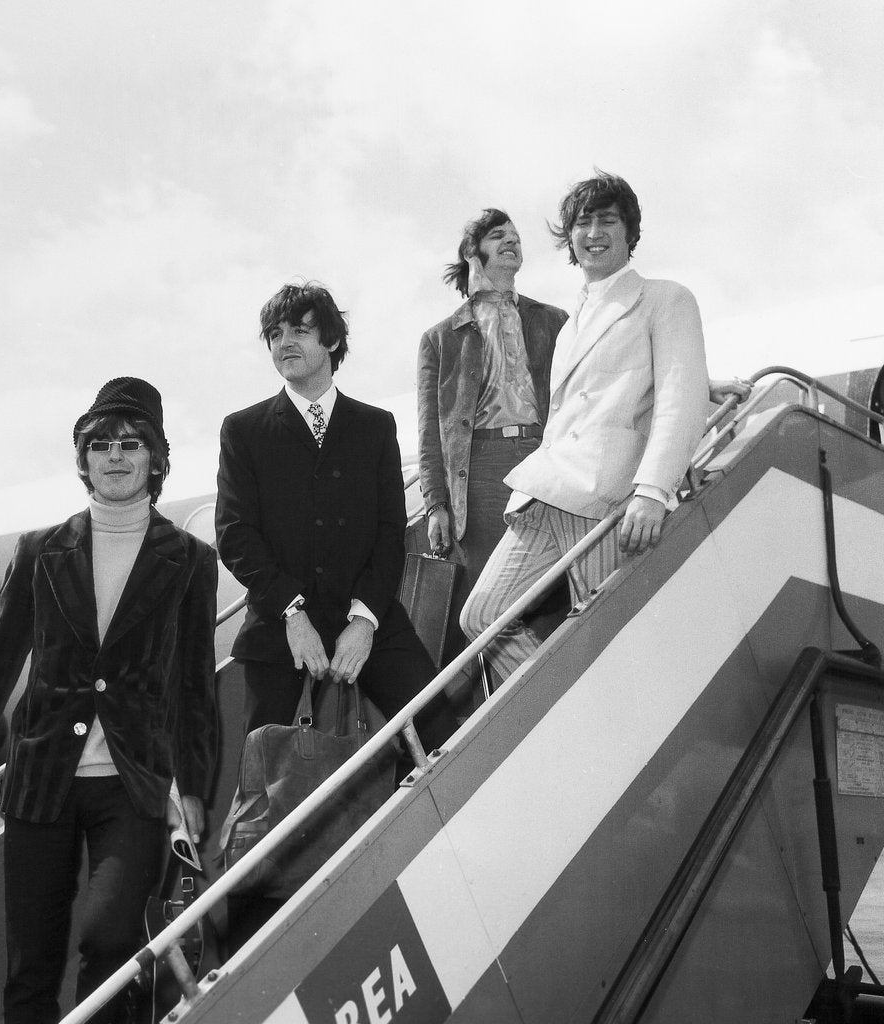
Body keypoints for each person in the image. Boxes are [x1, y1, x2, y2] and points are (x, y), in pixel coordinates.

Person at [0, 378, 219, 1024]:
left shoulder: (188, 559)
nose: (115, 455)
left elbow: (194, 683)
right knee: (31, 967)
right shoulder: (40, 551)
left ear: (156, 459)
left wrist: (193, 787)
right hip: (41, 781)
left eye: (131, 443)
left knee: (109, 940)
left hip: (132, 787)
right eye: (100, 443)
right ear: (83, 459)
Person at [215, 281, 457, 947]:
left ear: (330, 340)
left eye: (298, 328)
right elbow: (235, 533)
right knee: (262, 790)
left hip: (369, 619)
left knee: (441, 727)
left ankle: (422, 882)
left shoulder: (375, 425)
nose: (284, 342)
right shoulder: (243, 430)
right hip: (276, 627)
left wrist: (363, 619)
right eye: (274, 335)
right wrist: (291, 611)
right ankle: (245, 951)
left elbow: (387, 532)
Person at [462, 172, 710, 682]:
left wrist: (652, 489)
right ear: (569, 238)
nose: (593, 232)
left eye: (607, 220)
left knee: (604, 637)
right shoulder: (573, 317)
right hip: (544, 489)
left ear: (629, 233)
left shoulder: (666, 298)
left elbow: (680, 394)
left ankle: (587, 714)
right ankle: (560, 702)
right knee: (482, 617)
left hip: (605, 496)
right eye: (582, 223)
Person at [417, 209, 568, 587]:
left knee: (550, 588)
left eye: (516, 235)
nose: (512, 240)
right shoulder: (440, 339)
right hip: (480, 469)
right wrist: (436, 504)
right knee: (490, 590)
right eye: (498, 234)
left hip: (544, 455)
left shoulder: (554, 319)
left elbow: (597, 377)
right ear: (472, 251)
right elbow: (430, 435)